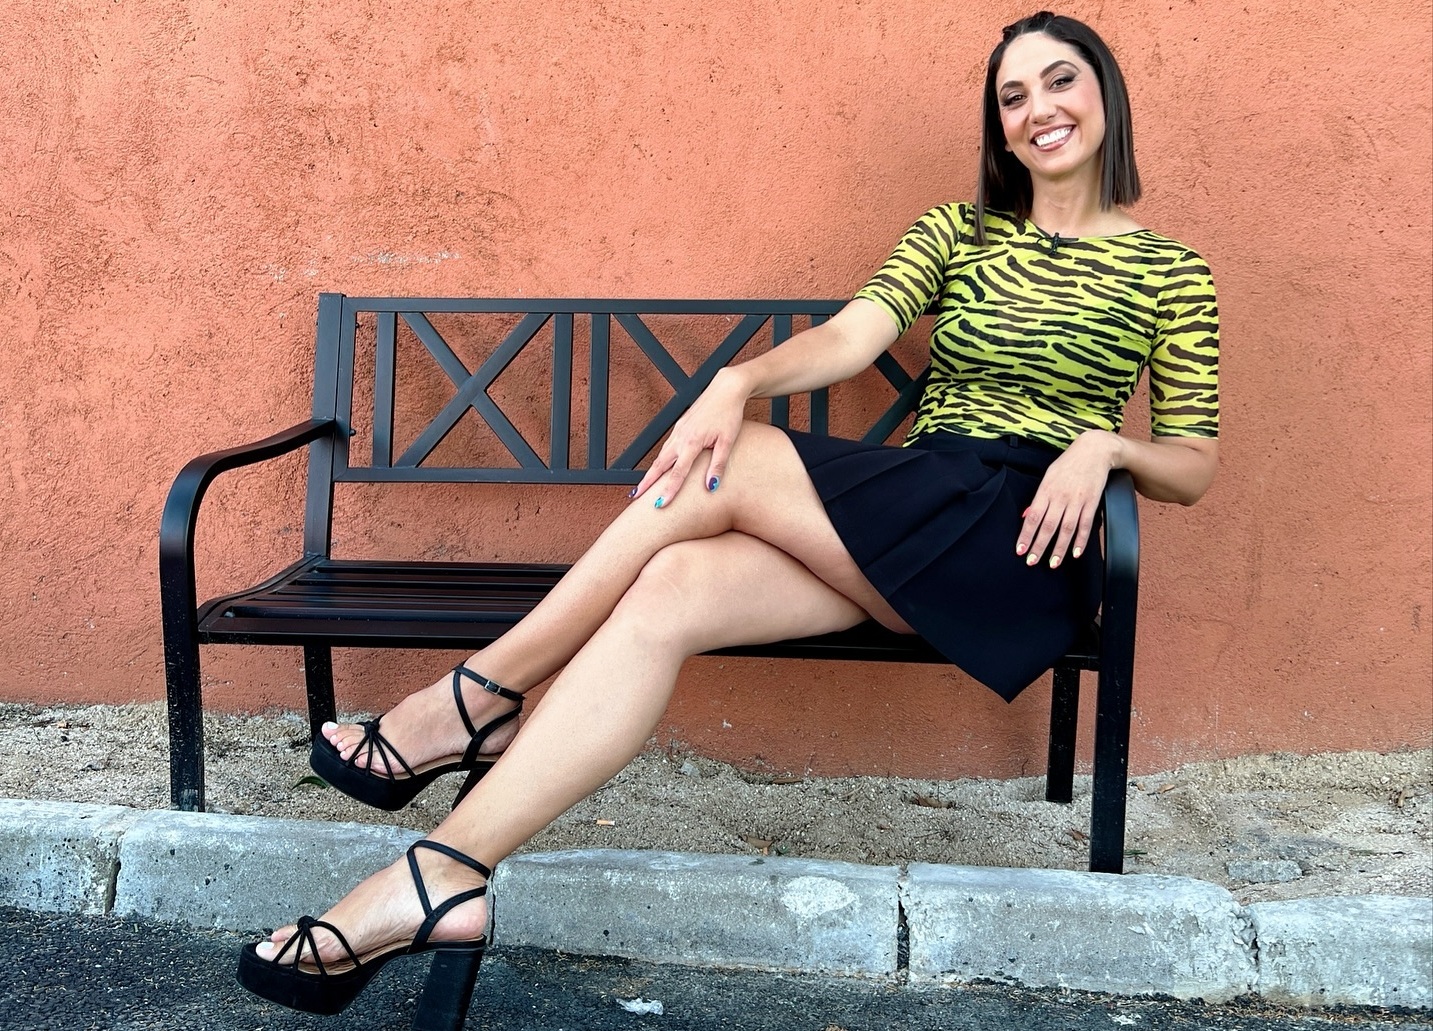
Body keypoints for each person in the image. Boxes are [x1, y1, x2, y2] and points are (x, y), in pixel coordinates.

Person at [236, 10, 1220, 1014]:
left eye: (1058, 80)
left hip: (1023, 539)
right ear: (997, 126)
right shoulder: (956, 233)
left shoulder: (1171, 272)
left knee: (730, 457)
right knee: (670, 587)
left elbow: (1190, 465)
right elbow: (850, 338)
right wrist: (737, 378)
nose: (1037, 108)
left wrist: (1105, 447)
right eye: (1012, 95)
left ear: (1102, 91)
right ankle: (445, 872)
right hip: (920, 509)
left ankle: (476, 694)